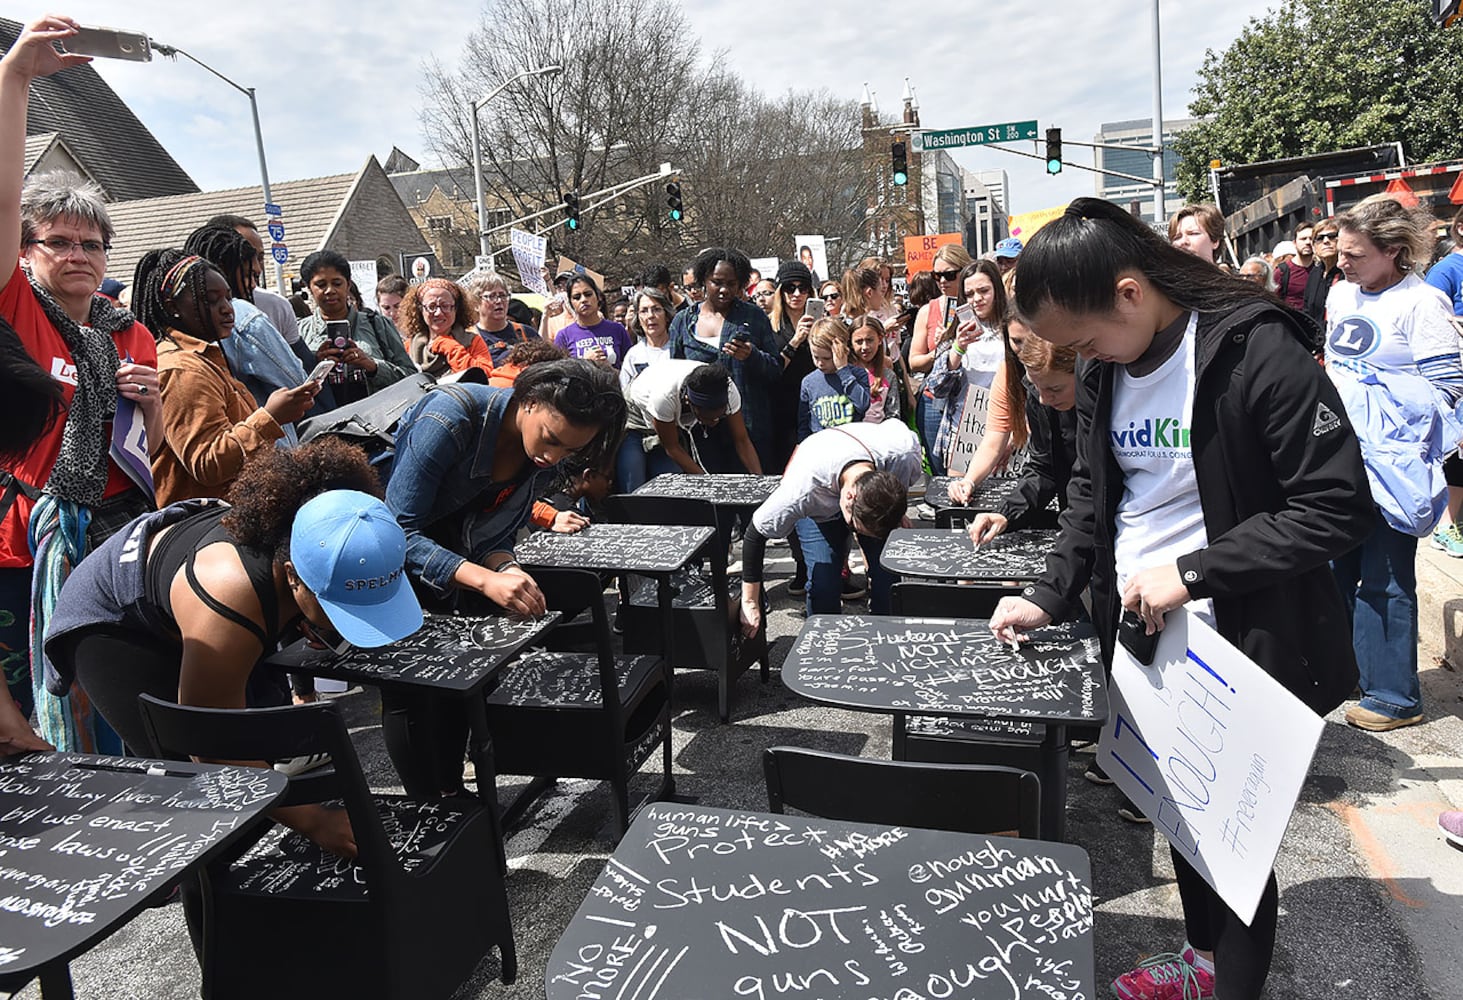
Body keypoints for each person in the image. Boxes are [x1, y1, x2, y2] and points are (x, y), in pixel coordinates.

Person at [989, 197, 1372, 1000]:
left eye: (1086, 340)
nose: (1086, 358)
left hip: (1241, 632)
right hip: (1140, 635)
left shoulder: (1253, 347)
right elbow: (1094, 494)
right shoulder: (1103, 364)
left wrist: (1193, 572)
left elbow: (1334, 507)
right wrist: (1048, 592)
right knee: (1174, 813)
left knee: (1231, 845)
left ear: (1131, 293)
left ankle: (1229, 980)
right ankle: (1199, 963)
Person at [46, 439, 420, 858]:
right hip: (114, 624)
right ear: (293, 576)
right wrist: (316, 820)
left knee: (258, 763)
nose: (344, 622)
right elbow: (207, 745)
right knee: (202, 800)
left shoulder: (311, 536)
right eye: (337, 608)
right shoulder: (231, 598)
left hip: (197, 602)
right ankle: (208, 899)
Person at [0, 16, 164, 753]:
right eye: (58, 242)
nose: (77, 255)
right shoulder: (15, 308)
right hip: (32, 543)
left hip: (118, 532)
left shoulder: (129, 332)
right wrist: (16, 78)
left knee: (121, 697)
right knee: (49, 706)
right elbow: (4, 202)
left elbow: (149, 455)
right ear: (27, 252)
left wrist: (152, 404)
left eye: (91, 244)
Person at [382, 359, 625, 793]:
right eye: (550, 439)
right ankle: (429, 806)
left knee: (461, 685)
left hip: (452, 570)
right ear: (528, 400)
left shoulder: (546, 455)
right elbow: (397, 532)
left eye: (569, 451)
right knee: (412, 691)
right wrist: (483, 578)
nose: (551, 457)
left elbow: (497, 530)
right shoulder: (448, 418)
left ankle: (454, 796)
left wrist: (504, 566)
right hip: (387, 567)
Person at [1327, 195, 1463, 732]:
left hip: (1392, 466)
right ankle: (1349, 673)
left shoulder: (1423, 304)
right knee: (1337, 570)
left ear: (1395, 252)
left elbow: (1448, 392)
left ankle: (1394, 695)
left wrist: (1378, 400)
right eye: (1341, 253)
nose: (1343, 264)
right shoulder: (1340, 297)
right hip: (1338, 462)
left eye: (1356, 255)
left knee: (1385, 578)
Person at [134, 249, 318, 506]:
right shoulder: (182, 370)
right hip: (206, 528)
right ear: (172, 306)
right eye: (211, 300)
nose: (227, 310)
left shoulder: (204, 357)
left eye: (228, 299)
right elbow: (207, 462)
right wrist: (271, 417)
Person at [739, 420, 922, 627]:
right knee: (824, 584)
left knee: (886, 574)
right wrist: (750, 601)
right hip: (819, 496)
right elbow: (755, 534)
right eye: (855, 528)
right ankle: (824, 643)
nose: (855, 535)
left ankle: (885, 631)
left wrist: (896, 512)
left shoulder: (901, 453)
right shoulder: (802, 490)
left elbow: (897, 427)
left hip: (866, 472)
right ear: (850, 496)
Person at [183, 225, 329, 428]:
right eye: (249, 275)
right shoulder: (243, 316)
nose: (253, 284)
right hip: (263, 441)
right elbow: (297, 381)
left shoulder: (180, 326)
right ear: (226, 269)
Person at [668, 247, 782, 472]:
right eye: (717, 282)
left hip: (750, 426)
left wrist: (751, 356)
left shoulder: (753, 316)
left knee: (750, 493)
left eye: (731, 284)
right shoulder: (682, 322)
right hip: (703, 431)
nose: (724, 289)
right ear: (703, 280)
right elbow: (675, 377)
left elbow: (775, 370)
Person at [966, 333, 1077, 545]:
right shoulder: (1041, 399)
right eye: (1036, 388)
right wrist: (1005, 513)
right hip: (1074, 518)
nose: (1044, 398)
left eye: (1055, 389)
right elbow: (1044, 468)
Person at [617, 360, 761, 492]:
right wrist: (711, 485)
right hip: (636, 415)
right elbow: (672, 447)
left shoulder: (728, 391)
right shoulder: (665, 398)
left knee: (670, 483)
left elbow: (742, 440)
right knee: (633, 478)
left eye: (721, 416)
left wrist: (760, 482)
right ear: (688, 402)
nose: (715, 422)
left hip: (668, 419)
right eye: (707, 418)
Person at [925, 259, 1007, 477]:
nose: (977, 299)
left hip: (1004, 426)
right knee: (961, 498)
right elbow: (936, 388)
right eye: (970, 294)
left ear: (997, 290)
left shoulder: (1013, 330)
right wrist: (958, 348)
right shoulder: (954, 336)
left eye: (983, 291)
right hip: (964, 428)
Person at [299, 249, 416, 399]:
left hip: (377, 418)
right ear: (309, 288)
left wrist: (373, 367)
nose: (330, 290)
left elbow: (411, 377)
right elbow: (291, 386)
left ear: (348, 285)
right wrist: (315, 366)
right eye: (321, 285)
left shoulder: (377, 324)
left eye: (337, 283)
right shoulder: (300, 333)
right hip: (321, 419)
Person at [909, 245, 974, 474]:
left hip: (972, 398)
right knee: (940, 473)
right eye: (937, 275)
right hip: (935, 399)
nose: (942, 281)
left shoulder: (981, 306)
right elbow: (914, 361)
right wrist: (941, 350)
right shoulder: (929, 310)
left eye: (949, 275)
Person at [798, 318, 870, 439]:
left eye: (827, 358)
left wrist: (843, 370)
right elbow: (803, 422)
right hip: (822, 444)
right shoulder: (809, 382)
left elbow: (862, 405)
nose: (820, 363)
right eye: (816, 357)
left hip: (851, 442)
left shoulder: (857, 375)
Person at [399, 277, 485, 375]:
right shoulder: (409, 347)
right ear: (420, 310)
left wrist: (451, 348)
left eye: (445, 306)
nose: (438, 313)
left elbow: (484, 375)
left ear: (456, 309)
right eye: (432, 307)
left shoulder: (473, 342)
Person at [554, 273, 631, 368]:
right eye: (577, 297)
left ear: (598, 297)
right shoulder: (564, 336)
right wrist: (585, 362)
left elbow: (629, 368)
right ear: (571, 303)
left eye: (588, 294)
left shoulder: (617, 330)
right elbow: (560, 374)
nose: (583, 300)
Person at [463, 271, 533, 368]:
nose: (499, 301)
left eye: (503, 295)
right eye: (491, 296)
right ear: (475, 304)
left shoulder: (526, 333)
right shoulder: (467, 338)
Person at [1274, 222, 1327, 326]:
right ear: (1294, 243)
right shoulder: (1282, 272)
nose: (1308, 242)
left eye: (1311, 239)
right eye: (1303, 239)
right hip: (1292, 327)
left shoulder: (1322, 271)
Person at [620, 286, 674, 387]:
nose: (650, 316)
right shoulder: (633, 356)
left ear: (666, 315)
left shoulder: (679, 349)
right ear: (638, 319)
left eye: (656, 309)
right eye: (644, 311)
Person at [850, 315, 899, 425]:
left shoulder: (888, 375)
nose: (865, 347)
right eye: (858, 341)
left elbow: (893, 413)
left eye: (869, 340)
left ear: (880, 339)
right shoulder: (846, 374)